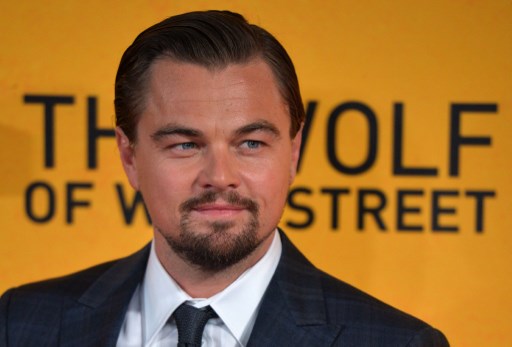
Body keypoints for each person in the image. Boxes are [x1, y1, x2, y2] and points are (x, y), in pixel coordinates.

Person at [0, 10, 449, 346]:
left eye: (250, 143)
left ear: (293, 152)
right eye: (185, 145)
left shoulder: (395, 342)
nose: (220, 176)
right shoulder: (20, 323)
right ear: (129, 155)